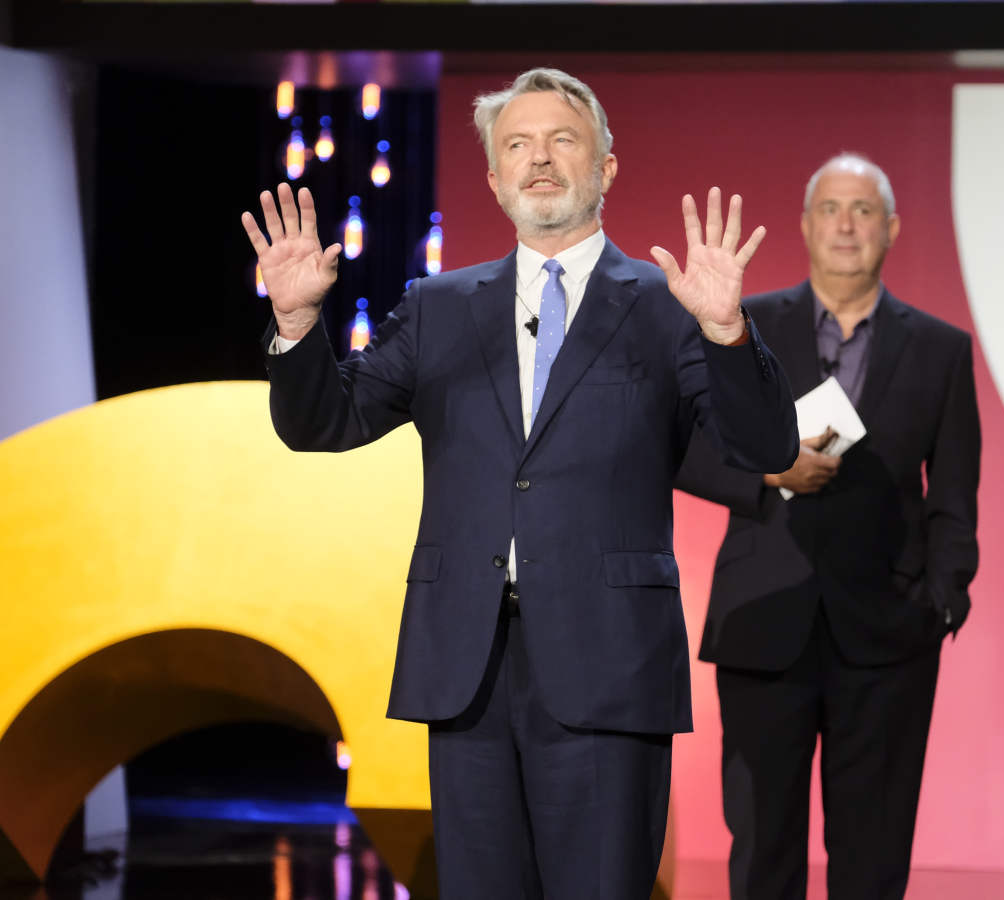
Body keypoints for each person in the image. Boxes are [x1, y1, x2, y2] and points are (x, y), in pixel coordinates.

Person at [240, 68, 799, 900]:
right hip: (468, 666)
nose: (539, 159)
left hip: (610, 663)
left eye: (562, 140)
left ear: (606, 168)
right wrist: (296, 326)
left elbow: (763, 445)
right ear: (495, 179)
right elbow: (325, 425)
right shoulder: (436, 305)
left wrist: (725, 333)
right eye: (517, 146)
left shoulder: (664, 304)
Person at [674, 153, 980, 898]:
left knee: (872, 854)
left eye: (864, 209)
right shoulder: (744, 325)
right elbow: (680, 444)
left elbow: (956, 497)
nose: (847, 224)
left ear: (892, 229)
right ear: (807, 225)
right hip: (762, 621)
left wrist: (941, 600)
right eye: (832, 209)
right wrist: (768, 474)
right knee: (762, 848)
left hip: (888, 633)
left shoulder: (941, 348)